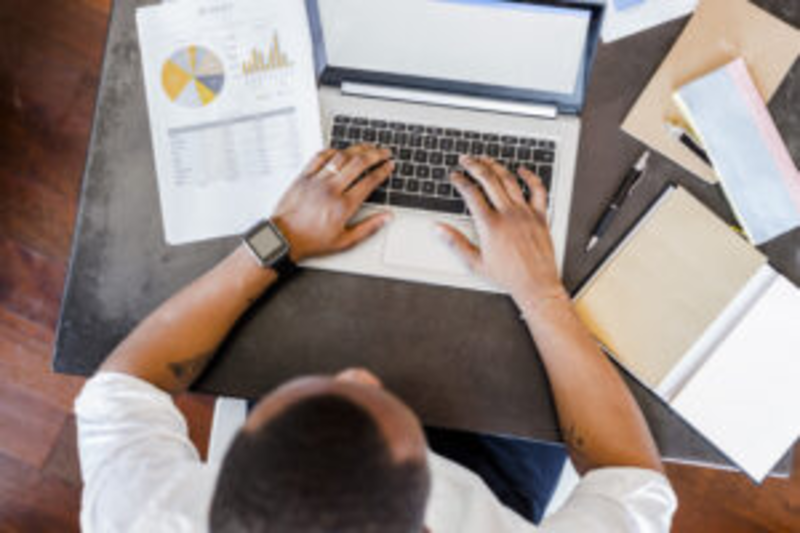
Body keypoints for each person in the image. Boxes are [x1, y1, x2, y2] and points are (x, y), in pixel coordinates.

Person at [75, 144, 677, 532]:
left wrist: (278, 239)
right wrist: (539, 290)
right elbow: (633, 480)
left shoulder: (147, 514)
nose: (359, 375)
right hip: (496, 478)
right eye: (365, 391)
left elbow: (123, 388)